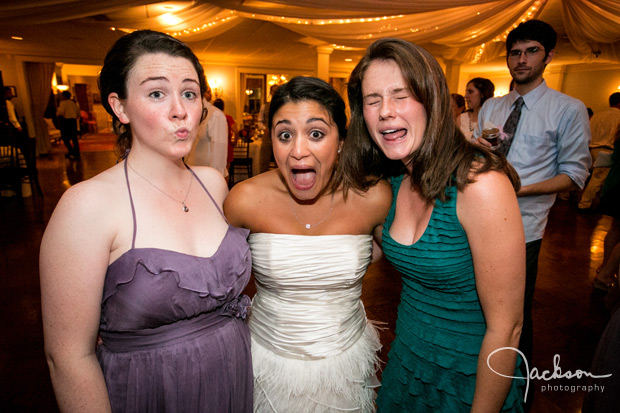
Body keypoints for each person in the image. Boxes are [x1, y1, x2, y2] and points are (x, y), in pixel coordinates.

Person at [40, 30, 253, 412]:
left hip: (233, 378)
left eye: (190, 93)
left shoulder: (213, 183)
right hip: (152, 392)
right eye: (157, 93)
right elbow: (68, 358)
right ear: (119, 108)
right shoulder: (88, 204)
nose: (180, 109)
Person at [345, 37, 525, 411]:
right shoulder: (392, 181)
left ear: (433, 100)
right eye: (372, 100)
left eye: (401, 95)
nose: (385, 112)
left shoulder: (481, 186)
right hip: (407, 370)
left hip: (469, 382)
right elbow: (358, 253)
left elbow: (507, 328)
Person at [224, 76, 392, 412]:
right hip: (267, 361)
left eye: (316, 133)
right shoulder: (244, 200)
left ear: (341, 140)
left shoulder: (375, 197)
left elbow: (405, 255)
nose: (299, 150)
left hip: (344, 362)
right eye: (284, 135)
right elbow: (213, 278)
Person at [475, 20, 591, 389]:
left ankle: (516, 391)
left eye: (531, 51)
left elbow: (574, 174)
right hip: (476, 221)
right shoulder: (492, 107)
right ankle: (480, 380)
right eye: (515, 52)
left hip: (524, 226)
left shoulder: (568, 109)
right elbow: (481, 158)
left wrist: (516, 190)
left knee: (512, 315)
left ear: (549, 56)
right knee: (477, 306)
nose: (521, 59)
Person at [577, 92, 620, 211]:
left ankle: (591, 201)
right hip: (606, 151)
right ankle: (584, 203)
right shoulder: (618, 117)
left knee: (590, 178)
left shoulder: (597, 115)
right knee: (598, 179)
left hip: (591, 149)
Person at [186, 85, 229, 178]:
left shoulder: (216, 115)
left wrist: (214, 181)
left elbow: (218, 155)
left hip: (207, 178)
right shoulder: (188, 114)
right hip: (188, 173)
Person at [56, 90, 81, 159]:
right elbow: (78, 113)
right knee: (74, 138)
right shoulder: (73, 103)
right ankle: (76, 151)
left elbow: (60, 113)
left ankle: (71, 150)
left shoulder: (63, 103)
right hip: (73, 122)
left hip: (66, 122)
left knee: (65, 138)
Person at [213, 97, 236, 171]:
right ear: (223, 107)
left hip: (214, 145)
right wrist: (234, 142)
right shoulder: (227, 117)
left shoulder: (211, 118)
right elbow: (236, 130)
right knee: (226, 170)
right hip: (226, 145)